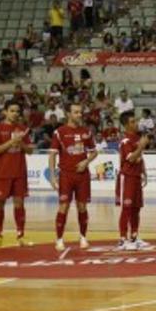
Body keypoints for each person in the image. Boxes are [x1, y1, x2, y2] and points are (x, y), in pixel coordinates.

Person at [49, 103, 98, 251]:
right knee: (63, 206)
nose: (79, 115)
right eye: (76, 112)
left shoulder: (86, 132)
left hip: (82, 175)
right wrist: (52, 176)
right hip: (66, 175)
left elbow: (94, 152)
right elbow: (52, 155)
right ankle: (59, 239)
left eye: (80, 112)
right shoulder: (59, 132)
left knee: (82, 206)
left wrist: (86, 161)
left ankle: (83, 237)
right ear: (68, 114)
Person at [0, 101, 34, 247]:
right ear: (5, 112)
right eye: (12, 111)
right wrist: (12, 142)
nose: (15, 113)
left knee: (19, 204)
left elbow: (30, 151)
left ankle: (20, 235)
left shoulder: (22, 129)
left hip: (19, 173)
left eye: (18, 111)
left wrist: (22, 144)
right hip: (1, 173)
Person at [115, 111, 149, 250]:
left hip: (136, 177)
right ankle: (122, 240)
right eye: (132, 122)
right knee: (127, 208)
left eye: (136, 121)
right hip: (127, 177)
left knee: (136, 208)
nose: (136, 123)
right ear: (125, 125)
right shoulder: (126, 141)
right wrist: (142, 146)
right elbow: (131, 158)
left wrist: (144, 171)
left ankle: (134, 237)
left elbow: (139, 157)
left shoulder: (136, 138)